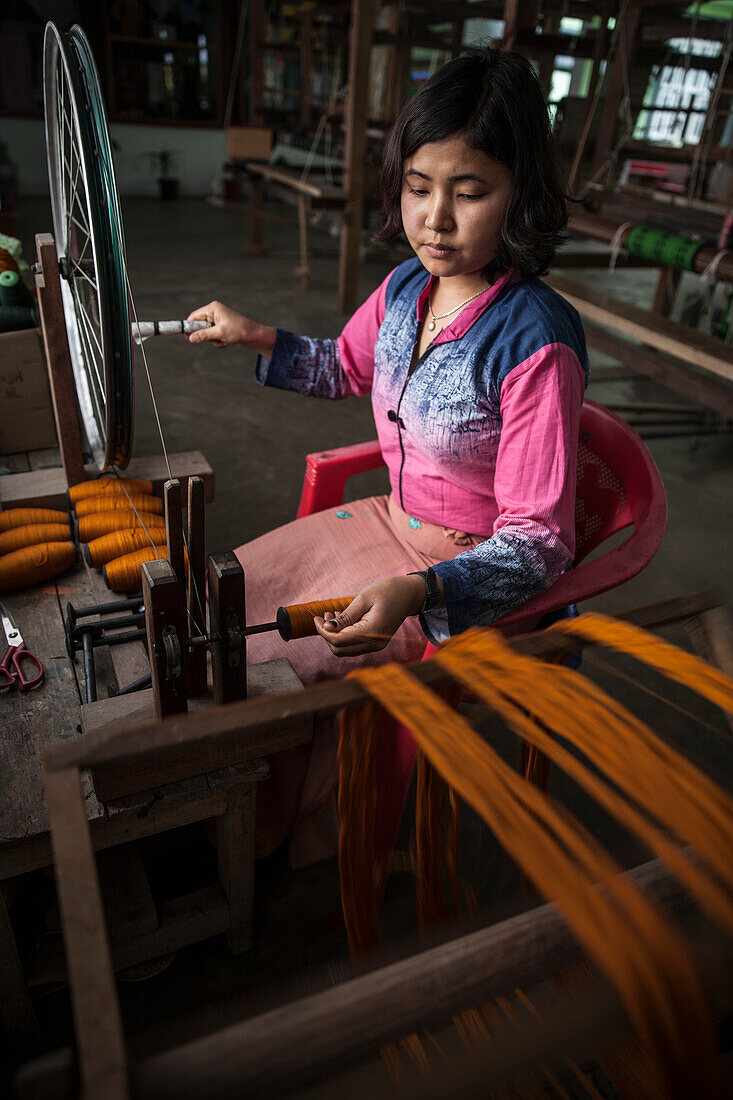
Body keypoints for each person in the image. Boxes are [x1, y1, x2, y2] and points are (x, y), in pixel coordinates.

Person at [187, 47, 588, 867]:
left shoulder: (533, 342)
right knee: (215, 604)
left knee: (285, 668)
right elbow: (345, 366)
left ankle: (262, 843)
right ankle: (198, 798)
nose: (435, 219)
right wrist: (256, 334)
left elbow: (541, 541)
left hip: (462, 570)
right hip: (388, 524)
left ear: (520, 195)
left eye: (469, 192)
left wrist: (418, 589)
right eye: (417, 187)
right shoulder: (406, 289)